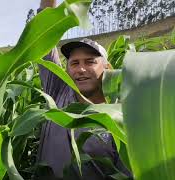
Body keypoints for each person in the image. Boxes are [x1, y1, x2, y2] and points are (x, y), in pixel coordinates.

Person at [34, 0, 131, 179]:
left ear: (108, 68)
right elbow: (42, 32)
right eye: (74, 63)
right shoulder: (57, 91)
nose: (81, 69)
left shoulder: (122, 118)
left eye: (90, 62)